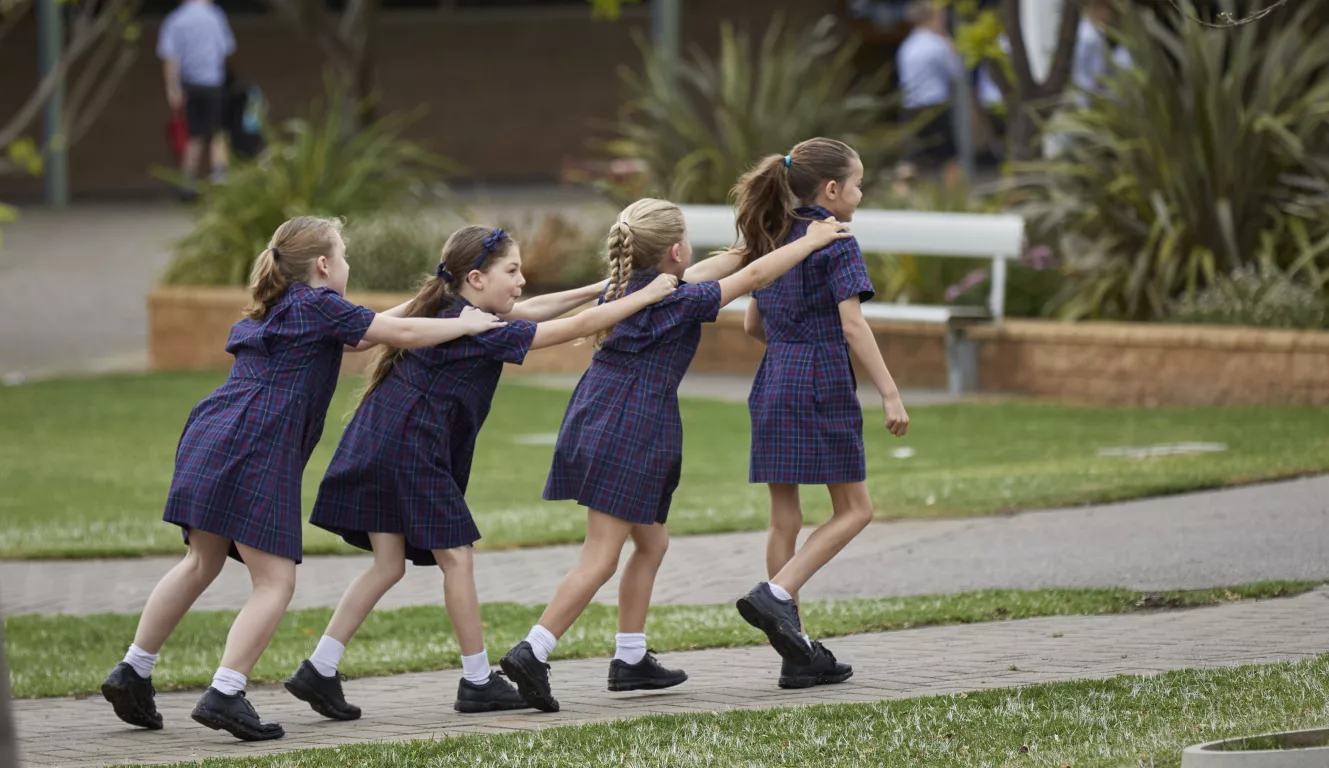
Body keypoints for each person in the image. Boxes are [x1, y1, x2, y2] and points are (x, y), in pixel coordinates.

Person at [98, 217, 505, 742]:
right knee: (275, 581)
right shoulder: (318, 306)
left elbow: (373, 329)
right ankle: (225, 691)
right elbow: (398, 334)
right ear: (323, 265)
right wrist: (468, 323)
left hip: (211, 434)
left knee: (200, 561)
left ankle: (133, 669)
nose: (348, 264)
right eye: (345, 255)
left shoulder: (284, 306)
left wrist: (439, 310)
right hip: (256, 445)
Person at [286, 227, 682, 718]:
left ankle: (320, 669)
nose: (521, 282)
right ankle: (477, 682)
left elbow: (534, 311)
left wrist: (600, 289)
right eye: (511, 271)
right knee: (458, 558)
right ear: (475, 277)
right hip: (412, 449)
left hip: (378, 441)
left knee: (388, 564)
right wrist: (643, 295)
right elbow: (565, 330)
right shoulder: (475, 328)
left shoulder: (455, 310)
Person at [494, 200, 853, 712]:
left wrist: (761, 240)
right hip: (630, 427)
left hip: (601, 414)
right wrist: (809, 242)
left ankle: (631, 659)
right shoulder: (675, 300)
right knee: (599, 557)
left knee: (652, 543)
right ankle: (534, 650)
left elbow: (728, 265)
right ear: (676, 251)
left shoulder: (635, 285)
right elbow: (750, 277)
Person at [731, 138, 910, 689]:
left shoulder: (773, 237)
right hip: (822, 380)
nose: (860, 194)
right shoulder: (833, 240)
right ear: (832, 190)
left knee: (785, 518)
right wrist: (889, 391)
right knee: (856, 510)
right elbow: (853, 325)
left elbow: (751, 326)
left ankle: (795, 652)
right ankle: (777, 595)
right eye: (858, 184)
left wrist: (790, 347)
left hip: (774, 380)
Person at [158, 0, 236, 197]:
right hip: (214, 84)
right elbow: (226, 49)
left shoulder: (176, 19)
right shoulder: (215, 16)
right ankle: (220, 177)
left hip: (190, 85)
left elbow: (170, 57)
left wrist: (172, 88)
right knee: (219, 131)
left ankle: (188, 182)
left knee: (194, 134)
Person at [895, 0, 967, 186]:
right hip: (935, 106)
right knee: (949, 155)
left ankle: (901, 194)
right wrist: (949, 42)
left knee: (910, 156)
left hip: (910, 106)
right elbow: (957, 71)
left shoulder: (907, 45)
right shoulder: (937, 44)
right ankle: (957, 196)